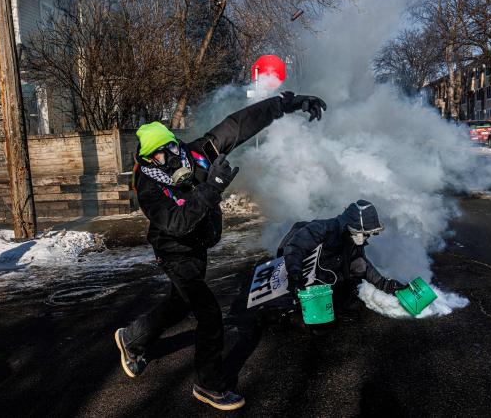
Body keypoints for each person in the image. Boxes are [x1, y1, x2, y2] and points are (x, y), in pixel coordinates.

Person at [114, 92, 327, 411]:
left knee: (179, 305)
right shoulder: (148, 186)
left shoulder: (199, 152)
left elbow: (240, 124)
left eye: (170, 149)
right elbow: (176, 223)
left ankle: (133, 338)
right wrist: (212, 187)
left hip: (197, 245)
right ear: (147, 161)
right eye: (158, 156)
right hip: (174, 251)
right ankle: (209, 385)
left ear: (177, 143)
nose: (168, 159)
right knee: (209, 313)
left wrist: (288, 103)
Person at [277, 200, 406, 312]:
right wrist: (295, 276)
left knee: (350, 297)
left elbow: (361, 264)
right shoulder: (323, 228)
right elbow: (294, 249)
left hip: (326, 273)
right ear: (353, 227)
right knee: (307, 316)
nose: (367, 237)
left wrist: (385, 284)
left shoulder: (352, 238)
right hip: (301, 271)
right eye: (365, 233)